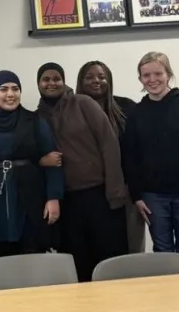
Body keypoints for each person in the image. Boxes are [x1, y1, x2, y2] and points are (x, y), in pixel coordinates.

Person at [36, 62, 128, 282]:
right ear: (38, 84)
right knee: (78, 265)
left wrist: (115, 194)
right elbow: (32, 153)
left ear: (64, 81)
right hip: (67, 202)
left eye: (56, 78)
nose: (51, 83)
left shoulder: (83, 103)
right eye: (46, 79)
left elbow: (109, 145)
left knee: (110, 263)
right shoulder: (37, 117)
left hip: (100, 195)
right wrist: (41, 161)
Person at [0, 71, 63, 258]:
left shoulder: (35, 121)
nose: (10, 94)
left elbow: (52, 161)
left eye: (15, 89)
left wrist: (53, 197)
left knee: (31, 251)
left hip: (29, 197)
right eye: (4, 89)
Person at [123, 52, 179, 259]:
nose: (152, 80)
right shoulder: (136, 113)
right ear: (140, 79)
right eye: (146, 75)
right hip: (152, 196)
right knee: (162, 253)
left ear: (168, 74)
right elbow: (130, 157)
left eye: (158, 74)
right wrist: (136, 196)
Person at [76, 60, 144, 254]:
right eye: (89, 77)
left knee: (131, 244)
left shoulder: (127, 108)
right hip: (90, 191)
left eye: (102, 77)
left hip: (126, 189)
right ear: (80, 82)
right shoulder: (71, 110)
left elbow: (140, 148)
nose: (96, 81)